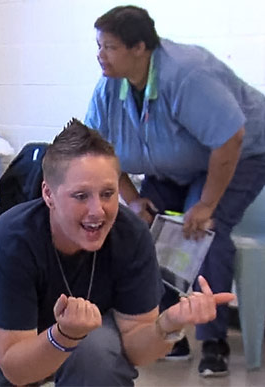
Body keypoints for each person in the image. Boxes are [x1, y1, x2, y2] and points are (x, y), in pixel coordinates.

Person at [0, 119, 234, 386]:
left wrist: (170, 325)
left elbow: (136, 348)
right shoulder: (11, 238)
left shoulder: (131, 234)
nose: (98, 211)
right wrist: (63, 334)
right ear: (48, 195)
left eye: (107, 194)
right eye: (81, 196)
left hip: (84, 333)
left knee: (99, 355)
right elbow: (17, 370)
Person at [85, 5, 265, 377]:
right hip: (173, 165)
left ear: (139, 48)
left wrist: (206, 203)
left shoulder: (187, 75)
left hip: (238, 153)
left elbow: (230, 138)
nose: (100, 56)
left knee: (203, 232)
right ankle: (167, 330)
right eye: (99, 46)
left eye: (109, 47)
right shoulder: (110, 86)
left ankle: (213, 341)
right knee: (144, 231)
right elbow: (96, 148)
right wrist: (133, 200)